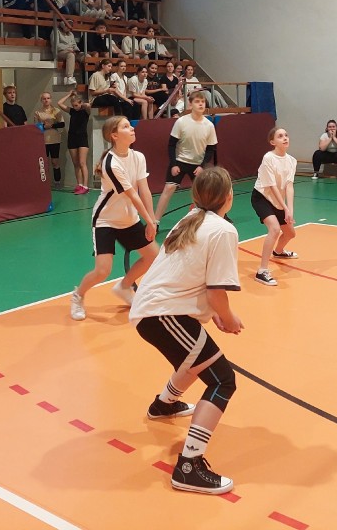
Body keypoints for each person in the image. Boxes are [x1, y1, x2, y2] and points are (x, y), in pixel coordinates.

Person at [128, 166, 241, 495]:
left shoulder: (190, 218)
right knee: (222, 380)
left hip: (154, 310)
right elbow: (216, 292)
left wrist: (214, 313)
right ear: (229, 197)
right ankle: (189, 466)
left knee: (196, 359)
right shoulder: (223, 230)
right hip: (164, 314)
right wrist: (228, 317)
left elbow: (192, 275)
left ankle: (164, 405)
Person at [70, 115, 159, 320]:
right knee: (103, 270)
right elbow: (132, 195)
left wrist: (152, 220)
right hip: (106, 221)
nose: (132, 128)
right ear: (114, 135)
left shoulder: (138, 157)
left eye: (130, 125)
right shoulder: (110, 163)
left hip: (129, 219)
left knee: (153, 256)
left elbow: (144, 190)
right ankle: (78, 295)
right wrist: (148, 221)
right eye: (126, 127)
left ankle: (125, 286)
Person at [154, 91, 218, 224]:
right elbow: (171, 145)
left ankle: (217, 217)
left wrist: (202, 166)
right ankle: (155, 222)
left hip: (198, 165)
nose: (201, 104)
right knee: (169, 188)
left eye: (203, 102)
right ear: (190, 104)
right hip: (180, 162)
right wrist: (174, 164)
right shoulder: (181, 122)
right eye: (197, 102)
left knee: (205, 192)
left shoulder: (209, 125)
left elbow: (211, 149)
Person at [252, 126, 298, 286]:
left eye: (286, 135)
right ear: (272, 142)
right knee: (274, 229)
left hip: (278, 201)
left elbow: (289, 186)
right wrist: (284, 208)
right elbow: (271, 186)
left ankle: (278, 251)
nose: (285, 138)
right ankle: (262, 271)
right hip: (262, 197)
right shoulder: (268, 158)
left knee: (290, 233)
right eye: (280, 136)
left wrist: (290, 210)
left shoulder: (292, 161)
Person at [57, 90, 92, 194]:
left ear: (80, 103)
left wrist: (83, 103)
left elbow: (88, 106)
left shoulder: (85, 111)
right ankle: (79, 184)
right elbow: (59, 103)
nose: (75, 107)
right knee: (76, 163)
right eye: (73, 105)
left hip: (82, 138)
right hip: (72, 137)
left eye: (76, 105)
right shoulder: (72, 111)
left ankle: (85, 186)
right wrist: (69, 95)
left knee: (82, 162)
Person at [34, 91, 65, 187]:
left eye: (48, 98)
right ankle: (44, 183)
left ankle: (57, 182)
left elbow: (62, 124)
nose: (46, 100)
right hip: (43, 141)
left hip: (54, 140)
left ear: (51, 99)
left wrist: (51, 125)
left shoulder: (56, 111)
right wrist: (44, 126)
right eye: (44, 98)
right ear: (41, 100)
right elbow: (36, 127)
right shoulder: (38, 112)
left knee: (55, 161)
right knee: (44, 163)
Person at [53, 15, 81, 85]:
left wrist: (76, 50)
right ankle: (69, 77)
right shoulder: (56, 32)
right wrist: (68, 49)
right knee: (70, 55)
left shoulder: (71, 34)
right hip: (60, 52)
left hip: (71, 51)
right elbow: (56, 45)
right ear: (63, 25)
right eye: (67, 25)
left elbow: (74, 45)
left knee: (85, 55)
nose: (68, 27)